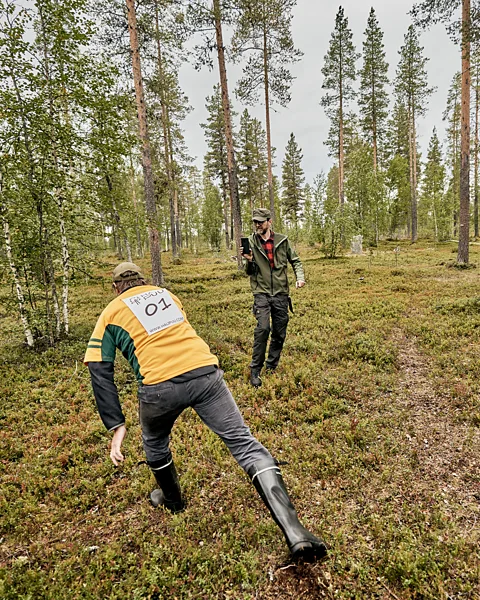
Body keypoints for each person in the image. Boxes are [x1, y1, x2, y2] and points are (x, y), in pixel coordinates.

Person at [84, 262, 327, 562]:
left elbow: (98, 366)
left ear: (116, 288)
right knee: (244, 443)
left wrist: (116, 425)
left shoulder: (111, 311)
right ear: (144, 281)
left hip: (158, 388)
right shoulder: (167, 295)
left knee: (155, 443)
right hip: (205, 374)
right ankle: (295, 531)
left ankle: (172, 500)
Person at [242, 208, 305, 388]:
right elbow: (249, 272)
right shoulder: (251, 242)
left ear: (269, 222)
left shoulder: (282, 241)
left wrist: (300, 277)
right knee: (263, 329)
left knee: (279, 332)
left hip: (280, 293)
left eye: (260, 222)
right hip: (261, 292)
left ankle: (271, 365)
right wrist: (248, 259)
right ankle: (255, 370)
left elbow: (296, 261)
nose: (257, 225)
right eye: (255, 222)